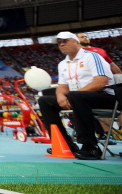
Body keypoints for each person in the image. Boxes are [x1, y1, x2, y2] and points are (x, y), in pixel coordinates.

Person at [38, 31, 116, 160]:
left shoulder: (92, 56)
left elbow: (101, 81)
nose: (61, 44)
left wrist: (74, 95)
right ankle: (65, 144)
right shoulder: (62, 64)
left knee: (76, 96)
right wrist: (61, 96)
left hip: (105, 97)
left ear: (76, 42)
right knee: (44, 101)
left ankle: (90, 147)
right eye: (59, 43)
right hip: (78, 98)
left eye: (65, 41)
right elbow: (62, 87)